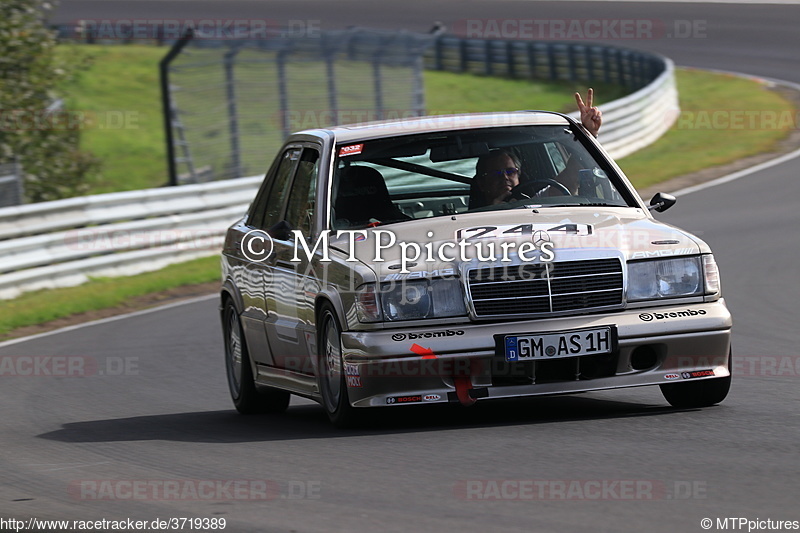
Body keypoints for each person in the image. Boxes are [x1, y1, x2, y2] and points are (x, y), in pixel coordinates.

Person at [470, 89, 602, 207]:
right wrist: (494, 211)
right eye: (495, 174)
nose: (504, 177)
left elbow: (571, 177)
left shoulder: (537, 203)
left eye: (510, 171)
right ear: (481, 183)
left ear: (519, 175)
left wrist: (589, 133)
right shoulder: (466, 220)